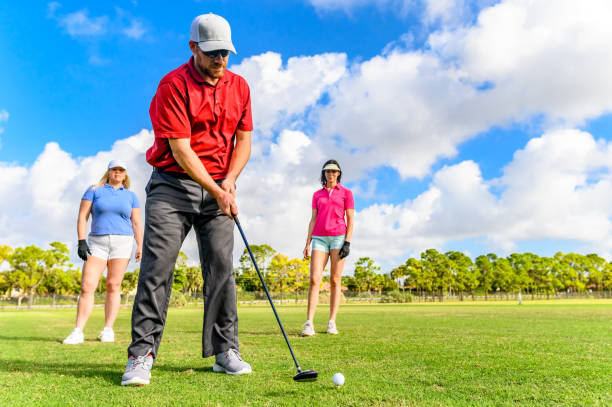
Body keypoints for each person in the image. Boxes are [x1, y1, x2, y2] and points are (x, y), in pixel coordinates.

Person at [121, 13, 253, 386]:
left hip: (218, 187)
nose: (220, 61)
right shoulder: (172, 86)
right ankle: (141, 355)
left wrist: (228, 181)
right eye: (212, 53)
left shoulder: (240, 86)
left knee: (222, 270)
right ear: (193, 47)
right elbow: (181, 150)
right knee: (156, 270)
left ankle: (225, 350)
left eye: (226, 53)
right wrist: (216, 189)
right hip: (172, 186)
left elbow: (244, 142)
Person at [63, 160, 142, 345]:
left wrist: (140, 245)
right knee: (87, 285)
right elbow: (82, 216)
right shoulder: (94, 190)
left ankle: (108, 329)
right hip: (97, 242)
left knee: (113, 285)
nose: (117, 172)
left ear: (125, 174)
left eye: (121, 170)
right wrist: (81, 241)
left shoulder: (131, 196)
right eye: (114, 169)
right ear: (108, 172)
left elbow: (136, 222)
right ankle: (78, 331)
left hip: (122, 242)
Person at [301, 160, 354, 336]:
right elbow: (313, 219)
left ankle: (331, 322)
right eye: (327, 171)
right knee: (315, 279)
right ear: (324, 174)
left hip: (339, 237)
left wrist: (347, 242)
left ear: (338, 173)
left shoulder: (346, 193)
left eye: (333, 171)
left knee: (334, 280)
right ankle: (309, 323)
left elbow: (351, 219)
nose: (330, 174)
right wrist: (307, 242)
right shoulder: (317, 195)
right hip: (319, 239)